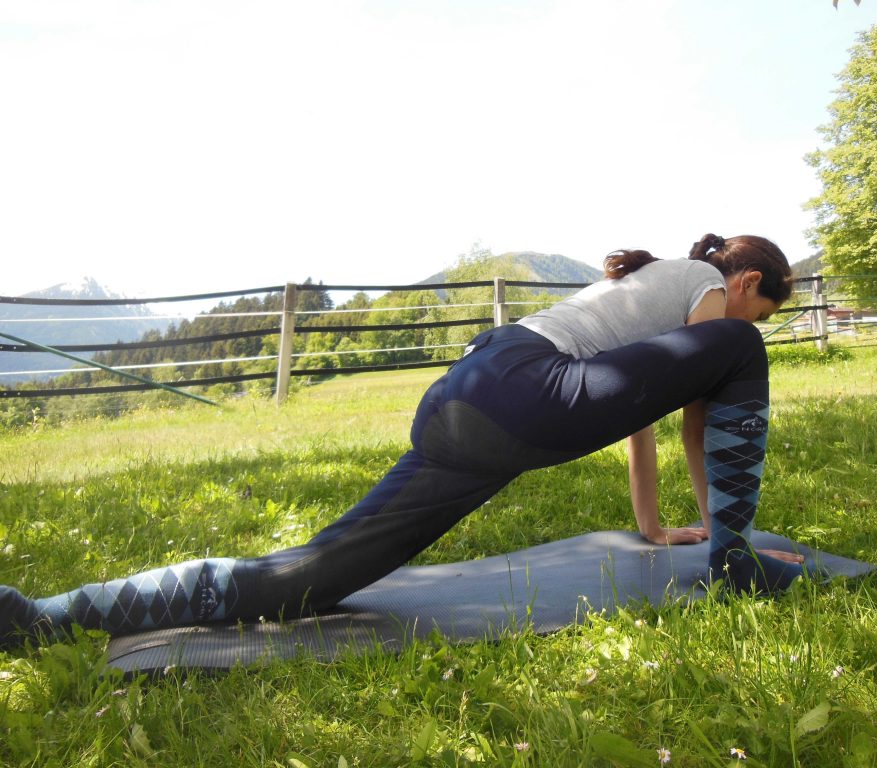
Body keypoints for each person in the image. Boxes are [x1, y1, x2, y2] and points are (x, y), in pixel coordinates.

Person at [0, 233, 809, 648]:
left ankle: (43, 616)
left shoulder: (639, 294)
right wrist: (725, 539)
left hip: (463, 400)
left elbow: (637, 409)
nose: (746, 322)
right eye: (758, 308)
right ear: (743, 284)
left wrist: (652, 526)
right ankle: (734, 565)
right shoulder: (703, 285)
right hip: (526, 390)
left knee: (299, 580)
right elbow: (695, 414)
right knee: (737, 355)